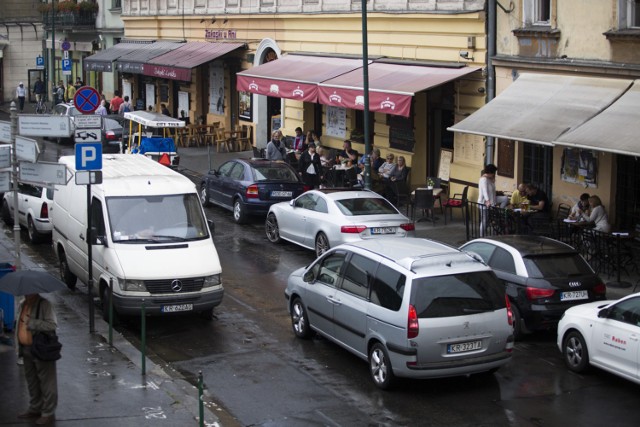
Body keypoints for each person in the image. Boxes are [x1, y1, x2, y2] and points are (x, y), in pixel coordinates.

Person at [16, 293, 58, 425]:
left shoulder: (44, 304)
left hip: (41, 349)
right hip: (26, 349)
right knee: (32, 381)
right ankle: (35, 408)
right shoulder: (23, 304)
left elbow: (52, 325)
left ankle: (48, 413)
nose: (27, 292)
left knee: (47, 383)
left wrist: (33, 323)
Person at [477, 164, 498, 237]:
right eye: (493, 173)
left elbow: (492, 190)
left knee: (486, 220)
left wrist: (493, 180)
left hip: (490, 202)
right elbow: (484, 191)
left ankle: (484, 234)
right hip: (483, 203)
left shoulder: (489, 179)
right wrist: (487, 200)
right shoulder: (483, 179)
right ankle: (481, 236)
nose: (494, 174)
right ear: (490, 172)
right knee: (484, 220)